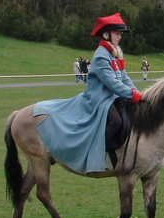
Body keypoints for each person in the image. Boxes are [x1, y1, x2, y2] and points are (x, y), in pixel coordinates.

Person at [33, 13, 142, 174]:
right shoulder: (100, 55)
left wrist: (137, 93)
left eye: (120, 34)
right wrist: (131, 95)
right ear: (106, 34)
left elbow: (124, 77)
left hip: (113, 96)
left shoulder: (116, 52)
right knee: (116, 121)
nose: (120, 37)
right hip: (99, 98)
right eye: (117, 33)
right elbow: (111, 82)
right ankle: (95, 152)